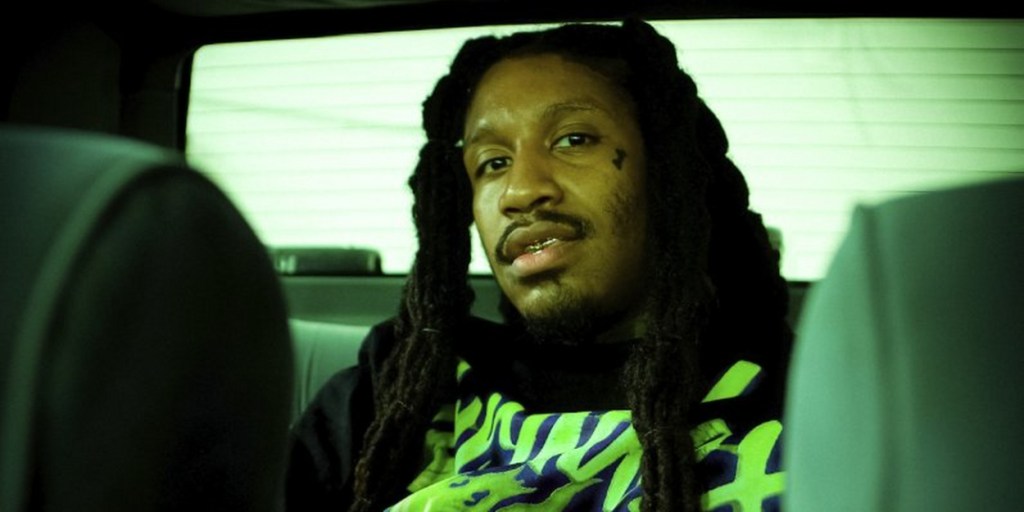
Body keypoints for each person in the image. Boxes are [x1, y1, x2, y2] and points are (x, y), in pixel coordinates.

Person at [285, 19, 793, 512]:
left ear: (668, 170)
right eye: (493, 163)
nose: (520, 190)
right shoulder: (397, 385)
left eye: (573, 139)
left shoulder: (800, 395)